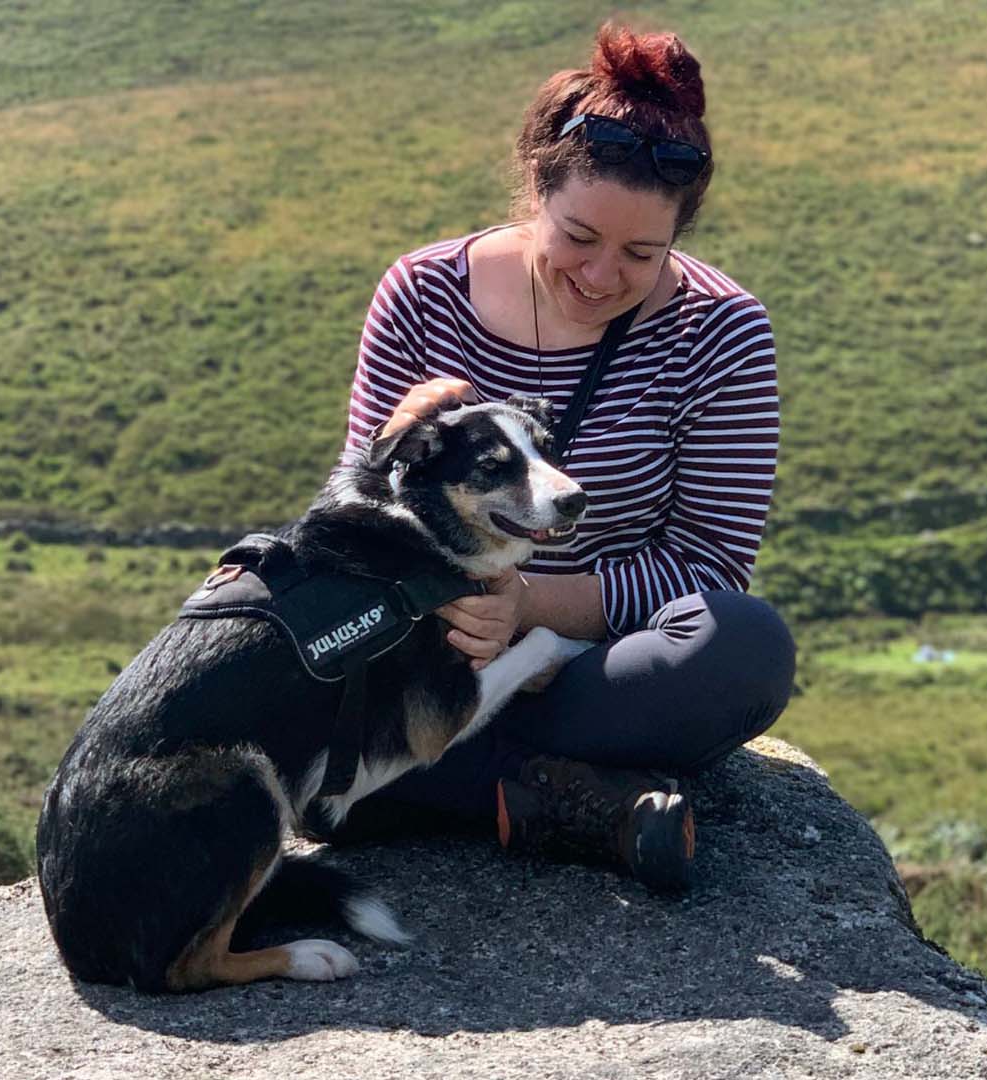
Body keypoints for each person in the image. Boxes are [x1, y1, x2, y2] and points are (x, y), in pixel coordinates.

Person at [326, 23, 795, 892]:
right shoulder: (423, 294)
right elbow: (363, 521)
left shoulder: (722, 332)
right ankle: (555, 795)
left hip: (593, 668)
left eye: (641, 255)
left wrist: (532, 606)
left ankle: (423, 790)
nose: (601, 274)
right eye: (579, 236)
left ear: (679, 239)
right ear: (536, 185)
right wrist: (400, 445)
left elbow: (712, 566)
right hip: (434, 661)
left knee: (744, 648)